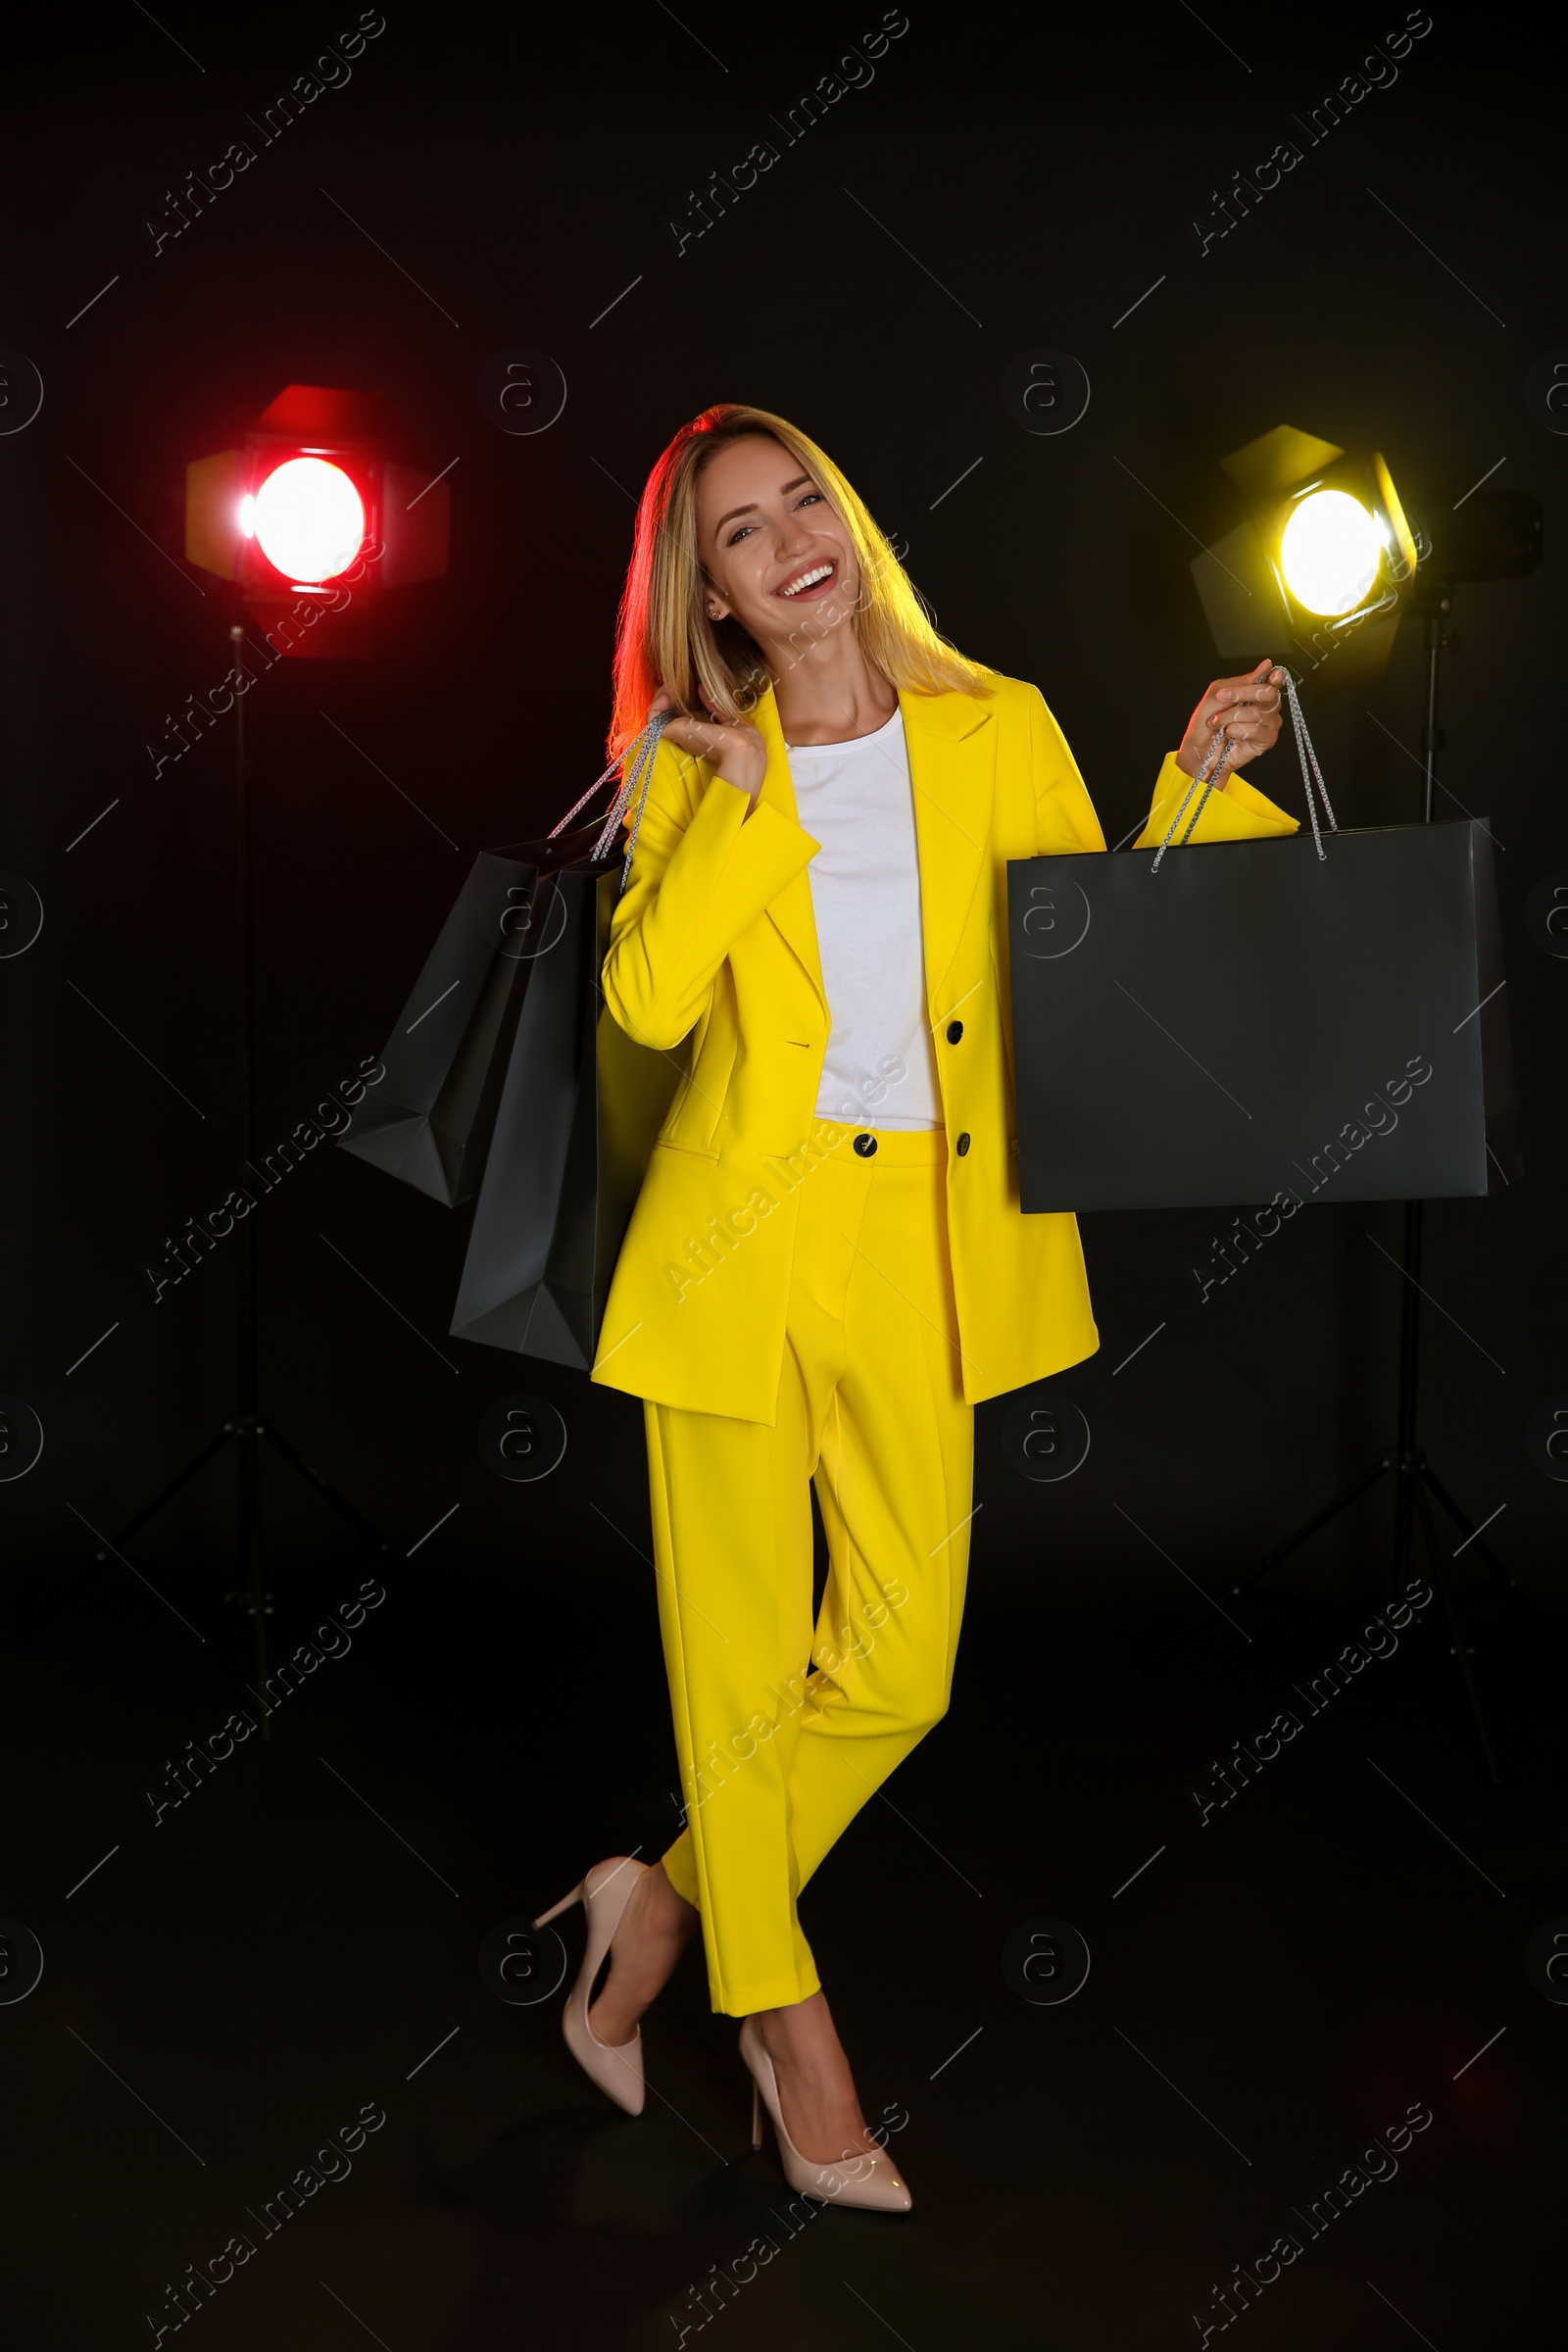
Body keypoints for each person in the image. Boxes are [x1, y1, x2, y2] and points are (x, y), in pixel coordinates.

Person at [533, 404, 1293, 2209]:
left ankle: (658, 1896)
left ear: (851, 520)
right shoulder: (691, 760)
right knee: (737, 1673)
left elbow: (1091, 960)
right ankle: (792, 2039)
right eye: (738, 532)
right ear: (702, 592)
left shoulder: (994, 724)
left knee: (897, 1667)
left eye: (807, 499)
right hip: (736, 1248)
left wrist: (1192, 778)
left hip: (922, 1245)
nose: (790, 539)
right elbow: (641, 1008)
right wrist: (723, 798)